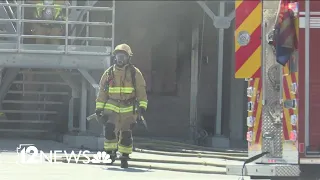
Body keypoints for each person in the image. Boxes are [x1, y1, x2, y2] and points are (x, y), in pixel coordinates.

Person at [95, 44, 148, 168]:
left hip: (129, 109)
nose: (120, 59)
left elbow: (141, 90)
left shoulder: (135, 73)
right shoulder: (108, 74)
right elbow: (102, 91)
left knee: (126, 135)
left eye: (123, 56)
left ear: (128, 58)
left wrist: (142, 106)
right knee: (109, 130)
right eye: (119, 56)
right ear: (115, 57)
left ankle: (124, 156)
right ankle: (110, 153)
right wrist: (99, 108)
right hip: (112, 106)